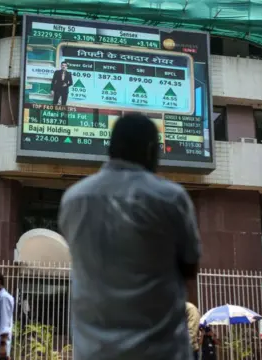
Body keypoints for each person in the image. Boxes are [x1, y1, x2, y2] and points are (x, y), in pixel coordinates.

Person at [58, 113, 201, 360]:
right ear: (149, 149)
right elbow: (189, 267)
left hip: (94, 353)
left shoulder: (74, 199)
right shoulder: (170, 198)